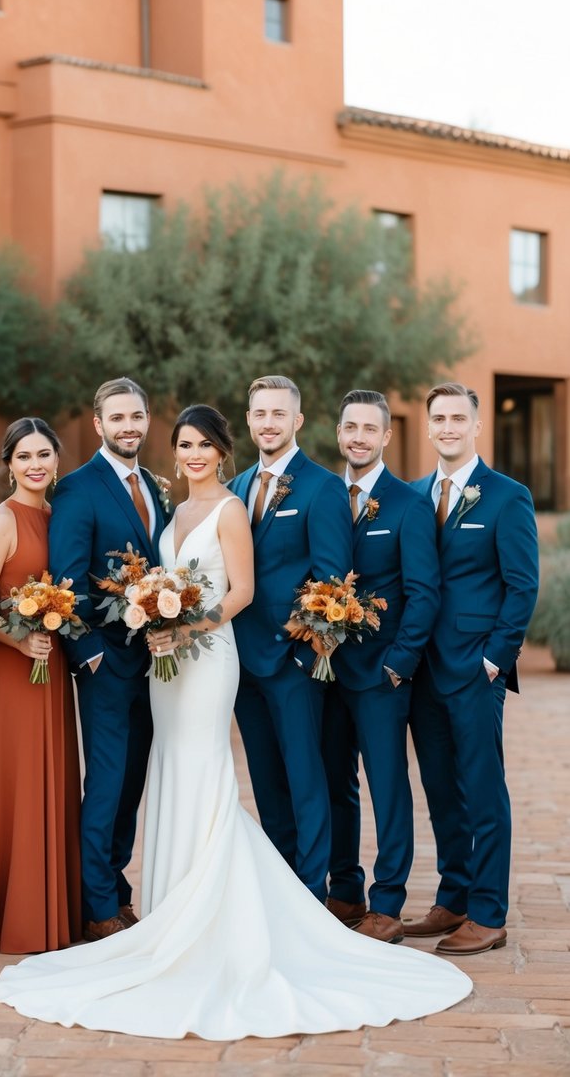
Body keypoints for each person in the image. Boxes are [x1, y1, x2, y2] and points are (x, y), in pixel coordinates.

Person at [0, 404, 472, 1040]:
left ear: (224, 449)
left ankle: (304, 901)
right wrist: (152, 622)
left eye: (203, 445)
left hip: (218, 655)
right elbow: (145, 575)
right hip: (169, 661)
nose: (193, 453)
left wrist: (188, 626)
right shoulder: (172, 506)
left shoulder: (236, 505)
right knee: (172, 768)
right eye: (183, 444)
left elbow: (243, 588)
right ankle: (171, 901)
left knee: (243, 771)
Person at [405, 382, 539, 955]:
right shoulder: (413, 496)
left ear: (476, 425)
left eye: (458, 417)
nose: (448, 426)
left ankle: (488, 912)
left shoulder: (508, 497)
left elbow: (523, 585)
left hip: (474, 668)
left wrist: (494, 659)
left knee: (482, 791)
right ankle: (454, 896)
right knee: (440, 789)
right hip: (422, 671)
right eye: (439, 418)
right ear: (430, 427)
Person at [48, 377, 168, 941]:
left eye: (137, 417)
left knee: (132, 782)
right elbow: (67, 580)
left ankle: (115, 890)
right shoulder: (78, 488)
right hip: (105, 665)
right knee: (107, 781)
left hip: (154, 666)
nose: (129, 427)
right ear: (98, 425)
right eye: (117, 418)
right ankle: (96, 905)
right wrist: (88, 654)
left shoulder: (153, 485)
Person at [229, 374, 353, 899]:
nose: (268, 423)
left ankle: (312, 894)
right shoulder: (235, 487)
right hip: (242, 664)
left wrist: (306, 655)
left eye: (279, 414)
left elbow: (333, 580)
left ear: (297, 421)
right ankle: (282, 888)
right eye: (260, 414)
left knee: (307, 780)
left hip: (293, 664)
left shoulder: (322, 487)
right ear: (250, 419)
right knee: (267, 783)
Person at [322, 390, 439, 942]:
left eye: (370, 429)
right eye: (351, 427)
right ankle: (344, 889)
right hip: (324, 671)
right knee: (336, 784)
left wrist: (399, 665)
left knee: (388, 786)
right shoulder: (324, 494)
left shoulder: (407, 503)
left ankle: (387, 903)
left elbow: (423, 592)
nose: (359, 438)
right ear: (339, 432)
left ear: (386, 436)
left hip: (381, 675)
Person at [0, 418, 81, 953]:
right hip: (15, 670)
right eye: (25, 455)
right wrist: (18, 643)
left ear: (57, 460)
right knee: (18, 782)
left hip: (51, 668)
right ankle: (16, 915)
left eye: (45, 454)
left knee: (52, 776)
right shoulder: (2, 522)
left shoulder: (57, 515)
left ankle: (53, 908)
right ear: (8, 464)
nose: (36, 464)